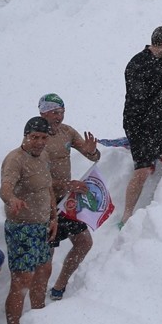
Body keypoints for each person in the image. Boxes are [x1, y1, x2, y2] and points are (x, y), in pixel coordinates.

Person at [121, 24, 162, 225]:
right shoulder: (137, 64)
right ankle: (126, 215)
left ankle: (160, 199)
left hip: (156, 122)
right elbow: (140, 100)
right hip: (137, 122)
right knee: (142, 169)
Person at [0, 116, 57, 324]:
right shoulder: (15, 159)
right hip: (22, 229)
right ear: (25, 136)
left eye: (43, 138)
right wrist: (12, 200)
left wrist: (54, 218)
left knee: (44, 273)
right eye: (35, 137)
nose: (39, 142)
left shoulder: (44, 157)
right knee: (21, 282)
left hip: (44, 226)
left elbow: (48, 188)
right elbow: (5, 188)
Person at [38, 93, 101, 301]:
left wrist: (92, 151)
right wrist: (67, 184)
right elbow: (37, 178)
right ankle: (37, 298)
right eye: (55, 112)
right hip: (45, 203)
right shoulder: (36, 137)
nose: (59, 116)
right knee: (47, 255)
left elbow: (92, 156)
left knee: (83, 242)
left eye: (62, 112)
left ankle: (59, 286)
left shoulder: (67, 132)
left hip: (66, 201)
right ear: (43, 112)